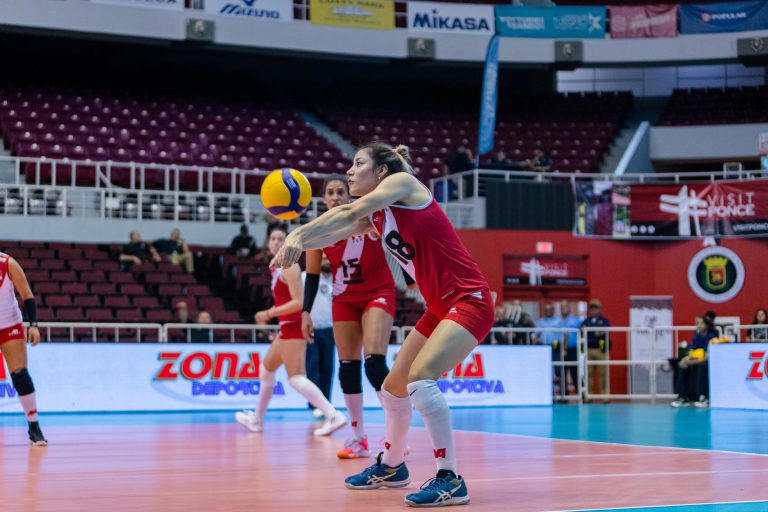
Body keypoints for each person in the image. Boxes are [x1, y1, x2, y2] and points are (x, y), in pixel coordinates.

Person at [274, 142, 493, 507]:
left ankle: (450, 478)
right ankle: (393, 466)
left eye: (358, 163)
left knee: (421, 378)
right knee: (393, 388)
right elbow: (337, 230)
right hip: (440, 306)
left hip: (469, 299)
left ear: (381, 172)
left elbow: (350, 210)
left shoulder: (404, 183)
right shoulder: (378, 215)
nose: (349, 171)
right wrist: (298, 241)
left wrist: (297, 235)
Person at [301, 174, 397, 460]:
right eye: (330, 193)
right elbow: (312, 276)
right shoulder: (317, 231)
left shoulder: (367, 217)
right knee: (347, 367)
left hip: (378, 292)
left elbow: (398, 242)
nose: (335, 197)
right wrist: (305, 312)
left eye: (340, 192)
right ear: (323, 199)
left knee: (374, 363)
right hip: (344, 298)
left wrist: (411, 278)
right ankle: (358, 438)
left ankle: (395, 435)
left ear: (349, 195)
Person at [235, 225, 347, 436]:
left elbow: (298, 302)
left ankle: (333, 415)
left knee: (296, 377)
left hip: (294, 325)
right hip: (285, 326)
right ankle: (257, 420)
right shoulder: (277, 266)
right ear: (267, 242)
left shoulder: (289, 265)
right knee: (266, 370)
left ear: (288, 242)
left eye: (281, 239)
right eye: (273, 239)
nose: (276, 242)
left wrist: (269, 313)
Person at [0, 252, 47, 445]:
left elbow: (27, 295)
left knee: (20, 376)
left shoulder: (8, 263)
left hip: (9, 325)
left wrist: (33, 325)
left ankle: (34, 426)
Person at [304, 253, 336, 417]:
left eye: (328, 258)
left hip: (330, 330)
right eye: (323, 258)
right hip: (311, 329)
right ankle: (314, 403)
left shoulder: (338, 279)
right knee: (312, 366)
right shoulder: (305, 277)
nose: (326, 260)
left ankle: (326, 403)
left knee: (327, 368)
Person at [671, 315, 716, 408]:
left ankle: (704, 397)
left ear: (707, 325)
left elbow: (707, 357)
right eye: (697, 323)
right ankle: (682, 397)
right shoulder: (696, 336)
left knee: (702, 367)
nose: (699, 325)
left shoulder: (712, 337)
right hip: (697, 360)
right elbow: (691, 353)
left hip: (710, 362)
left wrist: (690, 362)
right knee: (683, 366)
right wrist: (684, 360)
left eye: (702, 323)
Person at [535, 303, 565, 399]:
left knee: (559, 372)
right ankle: (549, 395)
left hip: (556, 348)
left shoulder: (559, 321)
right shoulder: (540, 322)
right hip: (544, 348)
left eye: (550, 309)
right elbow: (535, 335)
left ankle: (562, 395)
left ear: (553, 310)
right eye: (546, 310)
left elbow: (565, 335)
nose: (548, 311)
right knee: (545, 372)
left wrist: (564, 348)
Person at [582, 299, 610, 398]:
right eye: (592, 308)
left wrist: (592, 332)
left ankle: (605, 395)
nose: (593, 310)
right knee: (588, 373)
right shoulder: (586, 320)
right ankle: (589, 395)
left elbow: (603, 331)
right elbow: (582, 330)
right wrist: (595, 332)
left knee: (603, 373)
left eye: (595, 307)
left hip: (600, 350)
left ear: (599, 308)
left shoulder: (604, 320)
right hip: (589, 349)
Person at [559, 301, 582, 397]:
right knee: (561, 373)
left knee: (575, 372)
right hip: (560, 350)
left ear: (569, 308)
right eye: (562, 307)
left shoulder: (576, 320)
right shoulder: (557, 321)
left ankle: (580, 395)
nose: (563, 308)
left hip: (573, 350)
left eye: (565, 306)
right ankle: (563, 396)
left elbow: (582, 332)